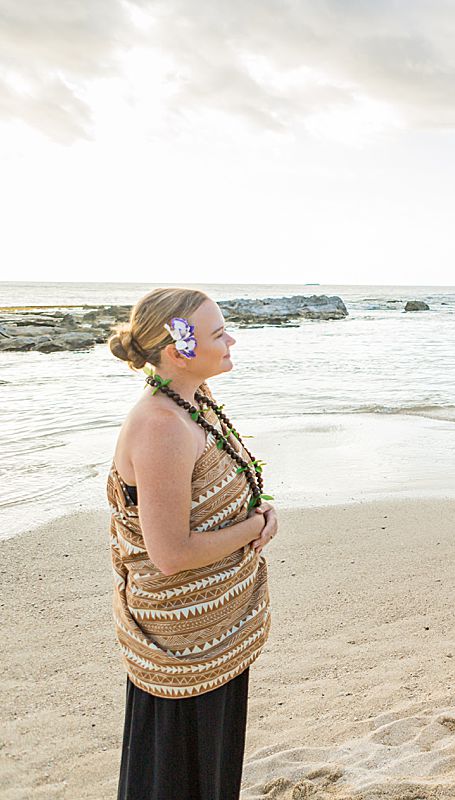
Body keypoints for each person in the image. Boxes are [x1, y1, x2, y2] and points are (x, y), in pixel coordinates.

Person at [107, 288, 276, 799]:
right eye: (218, 333)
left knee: (209, 769)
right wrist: (254, 527)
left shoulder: (192, 401)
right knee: (176, 777)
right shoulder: (161, 425)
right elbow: (171, 553)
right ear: (179, 348)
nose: (231, 339)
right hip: (181, 641)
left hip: (212, 628)